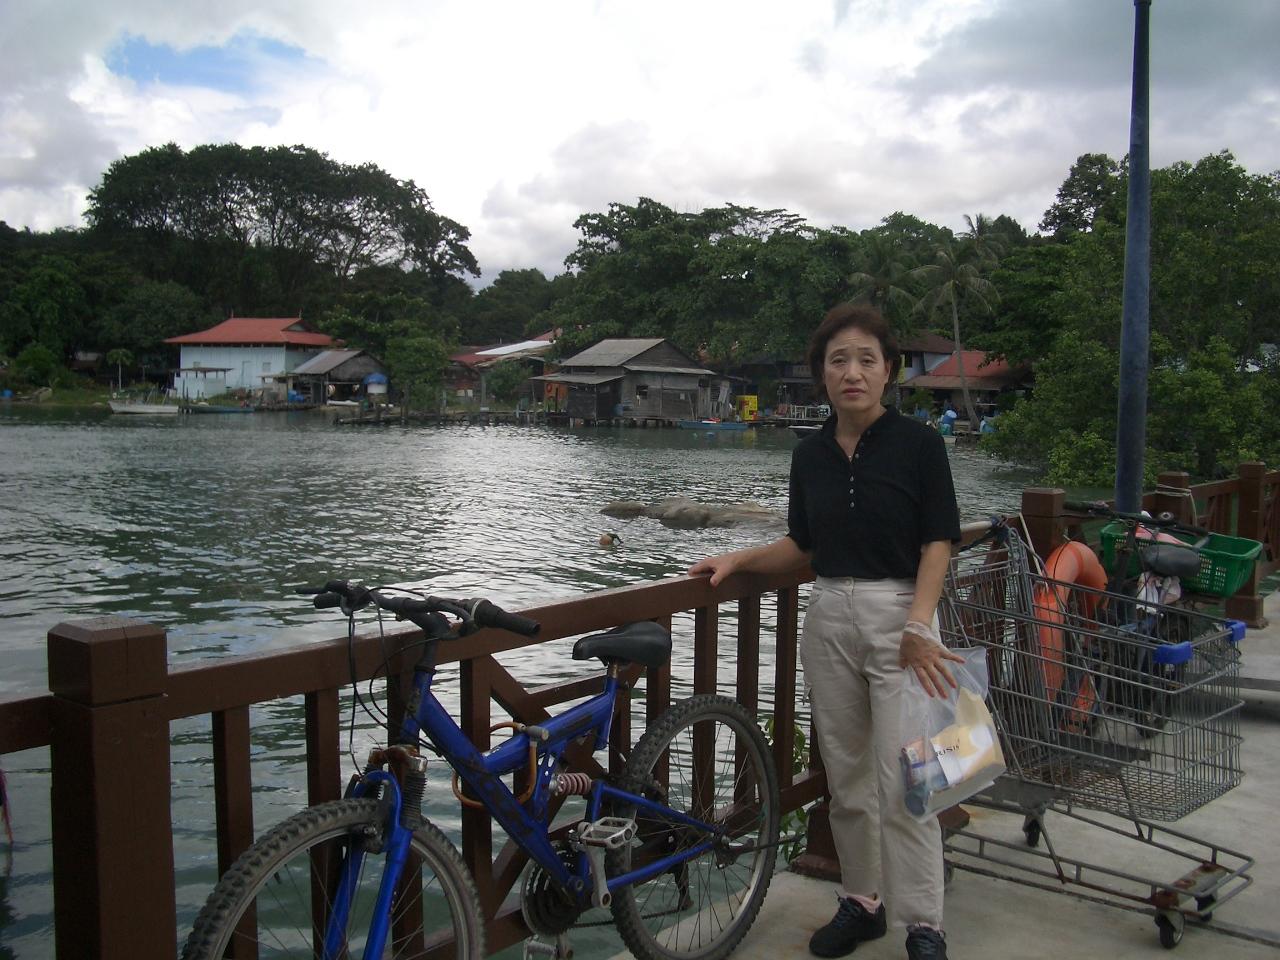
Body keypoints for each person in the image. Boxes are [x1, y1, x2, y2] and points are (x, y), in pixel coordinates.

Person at [688, 303, 962, 960]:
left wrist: (920, 625)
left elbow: (938, 541)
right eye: (839, 360)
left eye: (867, 359)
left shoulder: (919, 445)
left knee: (909, 777)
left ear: (889, 370)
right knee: (846, 776)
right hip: (831, 611)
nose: (853, 372)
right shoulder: (809, 454)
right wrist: (740, 560)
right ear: (823, 374)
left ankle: (923, 924)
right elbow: (804, 544)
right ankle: (862, 903)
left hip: (904, 617)